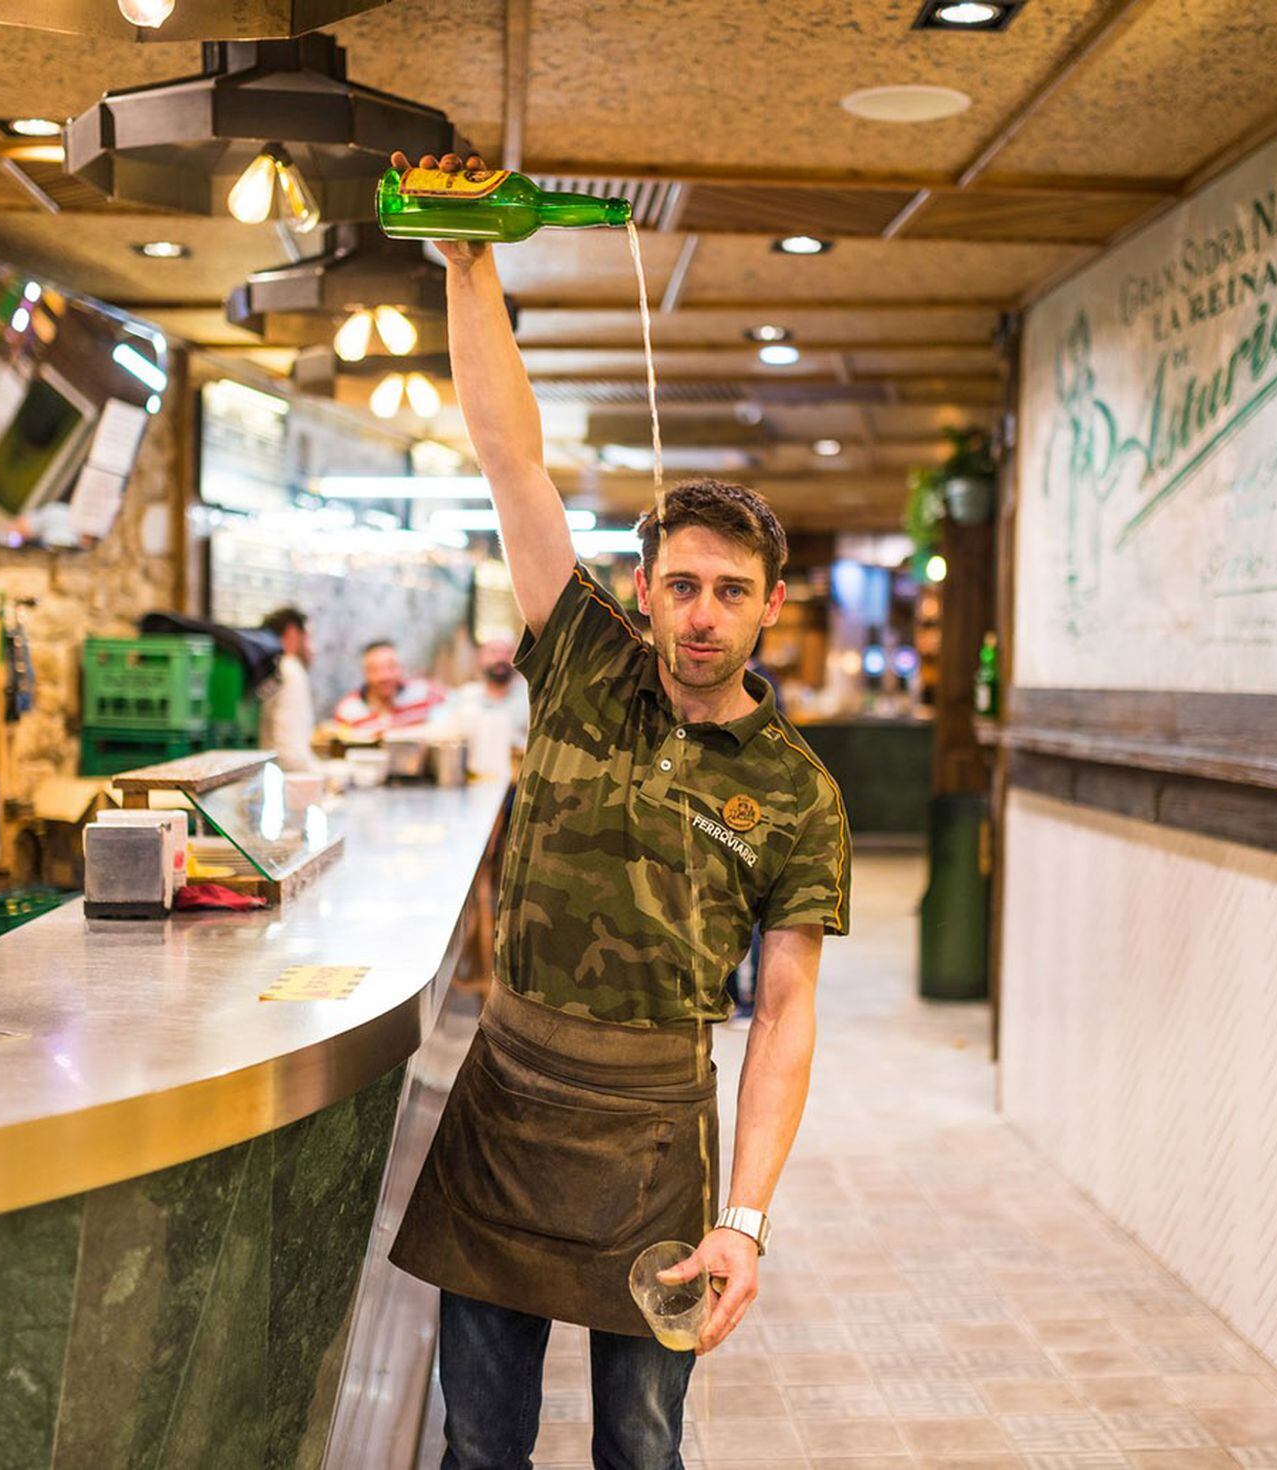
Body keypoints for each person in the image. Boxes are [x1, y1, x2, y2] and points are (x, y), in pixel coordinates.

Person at [388, 149, 851, 1470]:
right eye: (682, 582)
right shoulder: (586, 652)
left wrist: (747, 1215)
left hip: (656, 1127)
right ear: (643, 588)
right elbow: (508, 453)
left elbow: (788, 1012)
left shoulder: (796, 791)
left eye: (731, 588)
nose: (701, 610)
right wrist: (468, 260)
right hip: (508, 1088)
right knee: (479, 1448)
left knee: (642, 1451)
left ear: (771, 603)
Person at [443, 634, 529, 775]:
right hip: (471, 779)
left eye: (507, 653)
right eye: (494, 652)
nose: (501, 658)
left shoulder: (529, 698)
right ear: (480, 658)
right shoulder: (465, 697)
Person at [333, 638, 447, 736]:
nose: (384, 676)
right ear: (365, 673)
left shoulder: (423, 693)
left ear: (400, 668)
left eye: (390, 667)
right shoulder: (349, 711)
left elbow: (455, 708)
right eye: (375, 669)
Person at [257, 607, 317, 773]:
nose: (314, 649)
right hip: (289, 780)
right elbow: (292, 752)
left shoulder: (273, 668)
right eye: (309, 637)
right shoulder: (290, 670)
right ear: (292, 633)